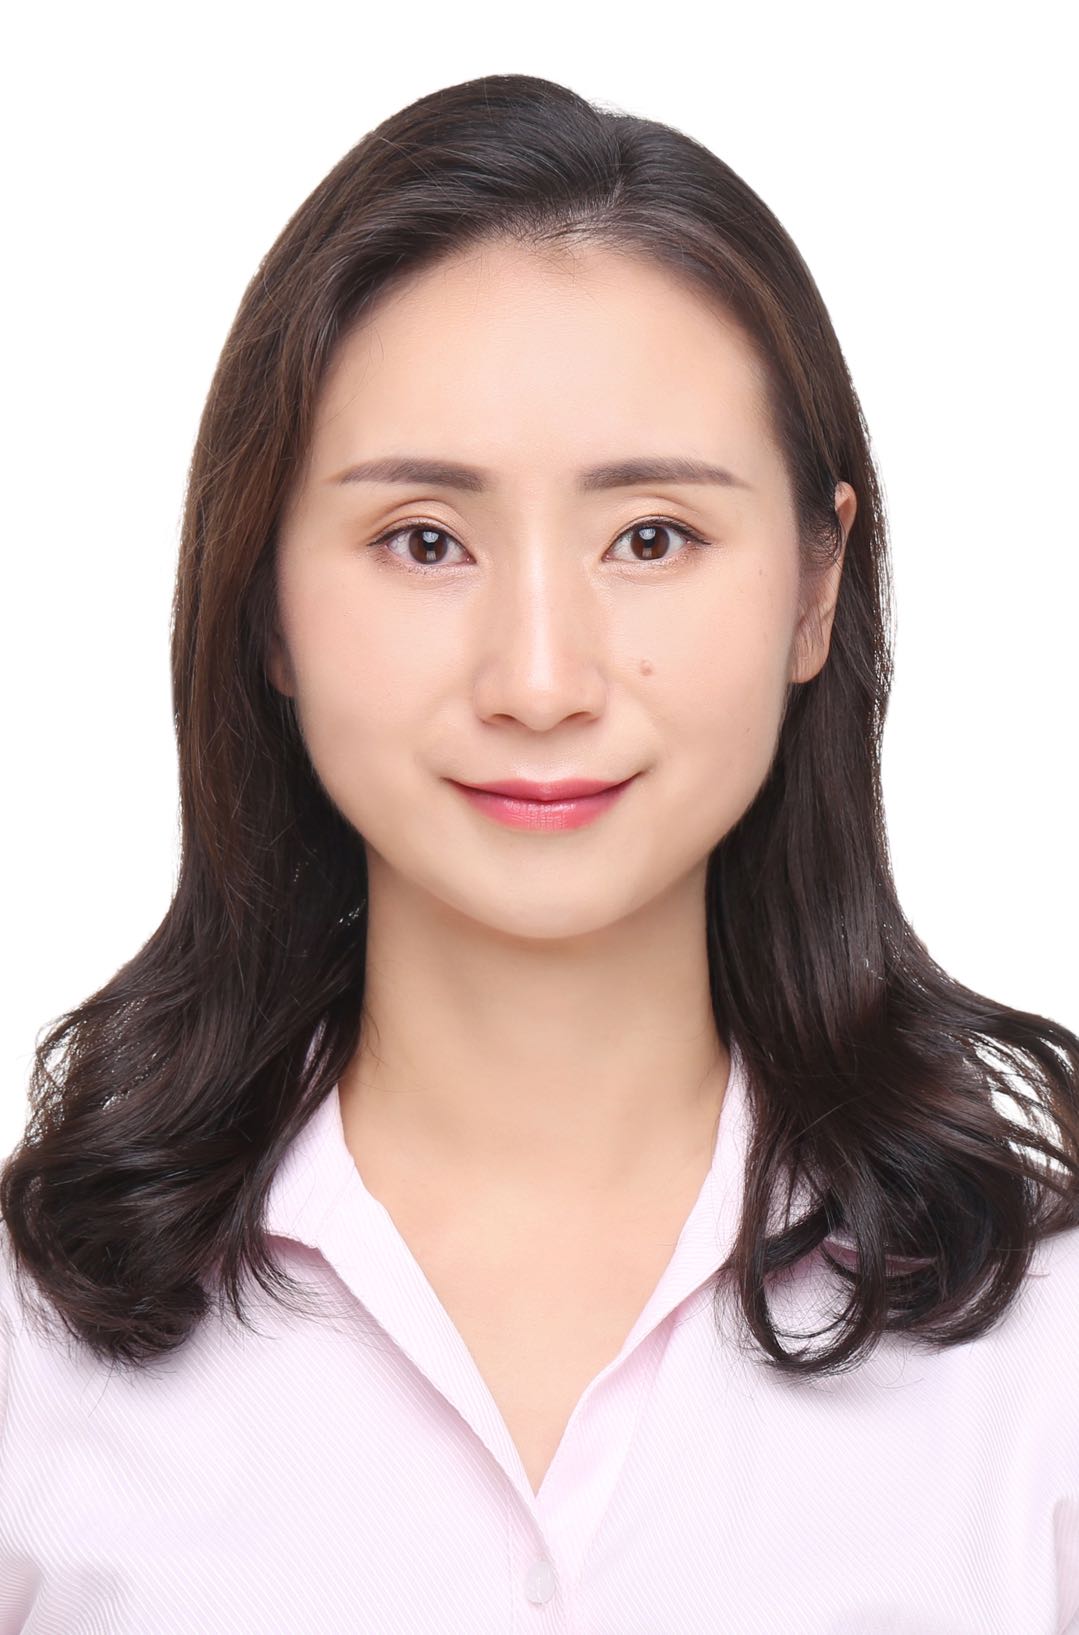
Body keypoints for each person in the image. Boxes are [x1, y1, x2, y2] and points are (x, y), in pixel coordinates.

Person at [2, 72, 1077, 1634]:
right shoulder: (33, 1353)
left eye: (652, 537)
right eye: (424, 540)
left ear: (814, 585)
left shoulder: (1045, 1357)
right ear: (266, 602)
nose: (541, 680)